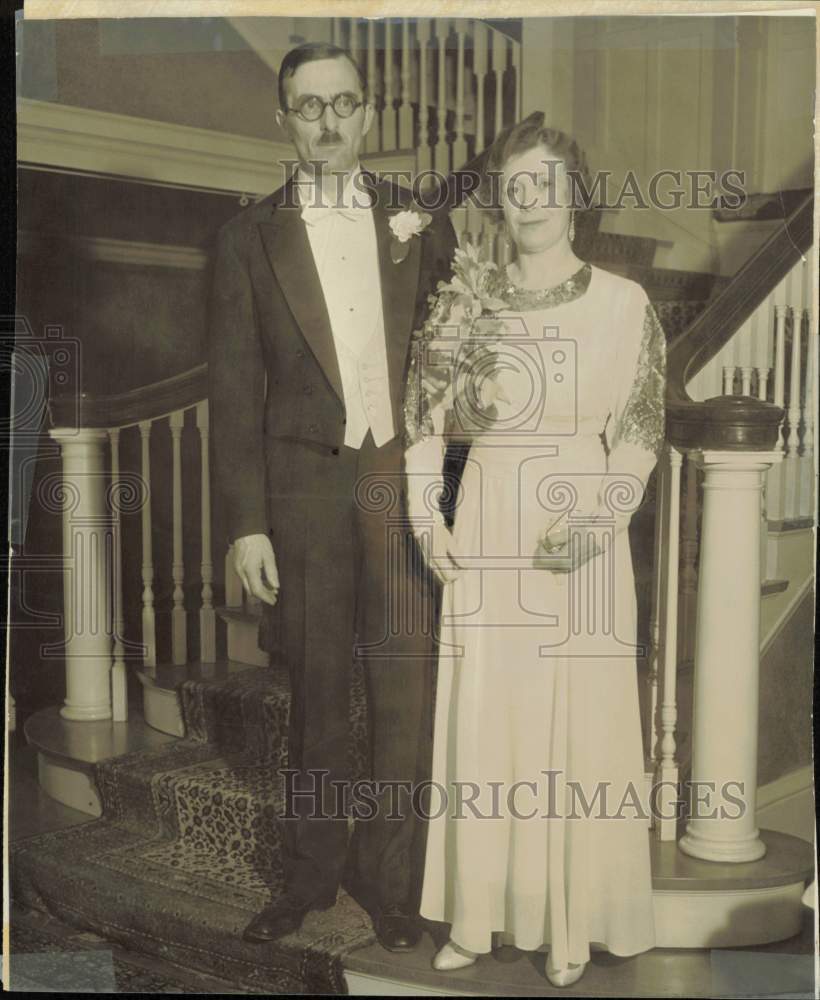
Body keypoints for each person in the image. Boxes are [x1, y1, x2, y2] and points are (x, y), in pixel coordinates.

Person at [403, 113, 664, 987]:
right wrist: (425, 517)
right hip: (485, 518)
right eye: (513, 186)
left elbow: (637, 434)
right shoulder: (463, 296)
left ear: (573, 193)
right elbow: (422, 420)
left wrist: (596, 522)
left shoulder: (624, 302)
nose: (529, 199)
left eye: (544, 180)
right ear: (498, 202)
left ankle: (569, 925)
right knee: (486, 720)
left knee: (574, 727)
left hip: (580, 520)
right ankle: (477, 919)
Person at [208, 41, 457, 951]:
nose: (328, 121)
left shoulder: (420, 224)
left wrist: (453, 496)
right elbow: (235, 392)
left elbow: (452, 367)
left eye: (343, 103)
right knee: (315, 691)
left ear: (367, 114)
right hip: (303, 487)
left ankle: (390, 882)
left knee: (402, 693)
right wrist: (246, 525)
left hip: (400, 482)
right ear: (284, 119)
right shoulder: (245, 237)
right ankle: (311, 875)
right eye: (308, 106)